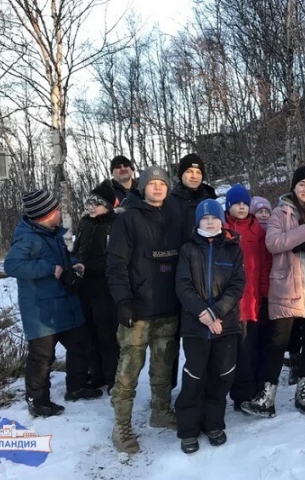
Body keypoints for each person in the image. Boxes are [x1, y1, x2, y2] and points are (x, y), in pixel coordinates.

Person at [242, 165, 305, 417]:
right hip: (287, 285)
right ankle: (267, 397)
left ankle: (303, 390)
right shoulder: (280, 212)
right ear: (293, 187)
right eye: (301, 185)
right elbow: (274, 243)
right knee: (278, 341)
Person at [4, 190, 102, 418]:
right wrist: (50, 269)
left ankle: (76, 388)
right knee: (42, 357)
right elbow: (12, 265)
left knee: (80, 344)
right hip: (41, 311)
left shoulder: (51, 233)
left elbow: (63, 258)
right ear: (45, 214)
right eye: (56, 209)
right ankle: (38, 402)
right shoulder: (28, 237)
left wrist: (74, 263)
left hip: (64, 305)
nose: (60, 212)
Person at [106, 166, 182, 454]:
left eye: (163, 183)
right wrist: (123, 301)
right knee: (128, 372)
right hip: (137, 311)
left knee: (163, 367)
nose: (158, 187)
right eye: (153, 183)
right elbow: (115, 265)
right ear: (143, 187)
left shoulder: (174, 218)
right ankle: (121, 426)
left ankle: (160, 411)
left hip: (167, 309)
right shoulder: (128, 220)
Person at [175, 199, 246, 454]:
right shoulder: (187, 249)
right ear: (198, 222)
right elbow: (183, 286)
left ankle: (213, 424)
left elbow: (237, 285)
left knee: (222, 375)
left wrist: (216, 311)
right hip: (196, 326)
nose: (210, 222)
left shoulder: (233, 249)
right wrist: (203, 313)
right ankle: (188, 429)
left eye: (214, 218)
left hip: (225, 325)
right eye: (204, 219)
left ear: (221, 220)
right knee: (194, 377)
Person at [165, 153, 218, 390]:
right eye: (189, 172)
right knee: (172, 338)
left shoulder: (211, 197)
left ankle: (204, 385)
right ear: (181, 174)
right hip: (176, 273)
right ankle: (168, 390)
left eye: (198, 172)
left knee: (204, 333)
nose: (194, 176)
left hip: (207, 275)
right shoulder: (170, 200)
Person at [224, 185, 272, 411]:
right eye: (236, 203)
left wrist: (263, 292)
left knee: (251, 348)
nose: (241, 207)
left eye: (244, 203)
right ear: (228, 206)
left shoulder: (257, 231)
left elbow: (264, 265)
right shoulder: (221, 228)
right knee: (234, 351)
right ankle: (237, 392)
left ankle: (249, 390)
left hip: (253, 300)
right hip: (229, 302)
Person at [72, 180, 120, 394]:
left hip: (105, 289)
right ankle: (96, 374)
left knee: (107, 336)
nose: (91, 206)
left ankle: (113, 379)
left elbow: (114, 259)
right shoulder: (84, 223)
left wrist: (89, 267)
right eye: (89, 201)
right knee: (89, 334)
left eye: (97, 202)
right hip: (84, 288)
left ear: (108, 206)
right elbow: (77, 251)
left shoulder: (114, 225)